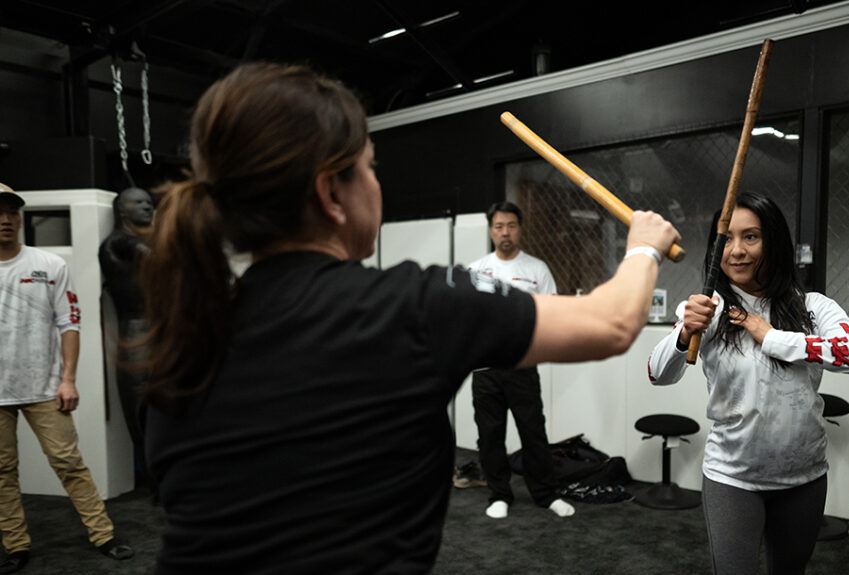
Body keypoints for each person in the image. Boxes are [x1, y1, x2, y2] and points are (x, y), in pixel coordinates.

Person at [138, 62, 680, 574]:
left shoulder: (187, 336)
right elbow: (610, 323)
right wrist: (644, 246)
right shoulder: (409, 305)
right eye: (370, 167)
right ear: (331, 192)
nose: (376, 183)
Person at [647, 192, 849, 575]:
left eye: (751, 237)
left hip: (803, 476)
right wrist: (686, 330)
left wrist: (773, 337)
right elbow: (658, 374)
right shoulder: (710, 309)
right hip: (733, 477)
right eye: (727, 239)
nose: (737, 251)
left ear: (773, 241)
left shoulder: (812, 307)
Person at [0, 184, 134, 574]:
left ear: (21, 218)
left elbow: (69, 322)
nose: (5, 220)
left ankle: (103, 535)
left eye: (12, 212)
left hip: (45, 386)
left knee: (69, 462)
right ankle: (16, 546)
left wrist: (68, 379)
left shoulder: (49, 265)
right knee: (3, 472)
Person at [467, 201, 574, 519]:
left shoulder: (536, 269)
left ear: (520, 228)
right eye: (499, 226)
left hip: (523, 366)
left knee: (533, 432)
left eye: (511, 226)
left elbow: (551, 314)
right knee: (489, 435)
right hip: (486, 369)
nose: (505, 232)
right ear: (491, 231)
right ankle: (499, 494)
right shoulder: (475, 270)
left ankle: (546, 494)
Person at [98, 187, 154, 480]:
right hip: (136, 331)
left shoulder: (142, 241)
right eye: (139, 202)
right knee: (140, 412)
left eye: (149, 202)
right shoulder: (118, 242)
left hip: (159, 329)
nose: (147, 206)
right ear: (122, 209)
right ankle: (155, 483)